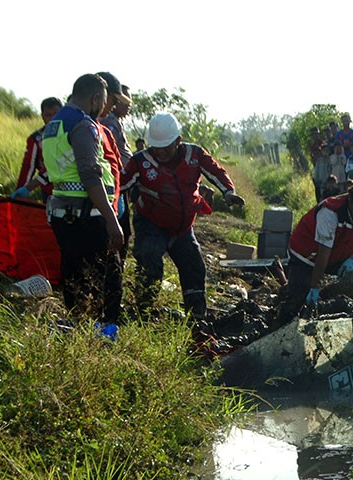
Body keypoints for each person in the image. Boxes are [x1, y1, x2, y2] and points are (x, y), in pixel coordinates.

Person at [120, 112, 245, 322]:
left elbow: (216, 171)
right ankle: (143, 314)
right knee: (149, 260)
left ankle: (196, 318)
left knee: (195, 267)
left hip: (183, 228)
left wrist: (229, 192)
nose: (160, 153)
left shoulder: (194, 155)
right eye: (156, 148)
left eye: (165, 148)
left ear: (178, 141)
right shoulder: (141, 162)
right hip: (151, 224)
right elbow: (119, 185)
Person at [41, 74, 123, 330]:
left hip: (62, 213)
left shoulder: (54, 123)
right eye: (103, 102)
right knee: (108, 275)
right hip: (88, 214)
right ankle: (106, 334)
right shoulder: (84, 125)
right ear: (96, 98)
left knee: (74, 273)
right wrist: (112, 221)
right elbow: (90, 176)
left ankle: (78, 327)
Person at [280, 181, 353, 323]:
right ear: (350, 198)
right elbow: (323, 254)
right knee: (297, 298)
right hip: (306, 254)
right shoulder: (330, 212)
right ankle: (282, 326)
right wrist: (314, 287)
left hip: (337, 253)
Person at [97, 74, 134, 260]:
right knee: (119, 229)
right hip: (113, 183)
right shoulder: (109, 122)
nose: (128, 105)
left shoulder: (116, 121)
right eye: (121, 100)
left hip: (122, 181)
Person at [12, 97, 63, 201]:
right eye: (48, 115)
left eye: (56, 114)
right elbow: (28, 166)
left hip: (73, 189)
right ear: (42, 117)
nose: (53, 118)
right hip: (48, 190)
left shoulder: (72, 133)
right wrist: (21, 190)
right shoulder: (36, 139)